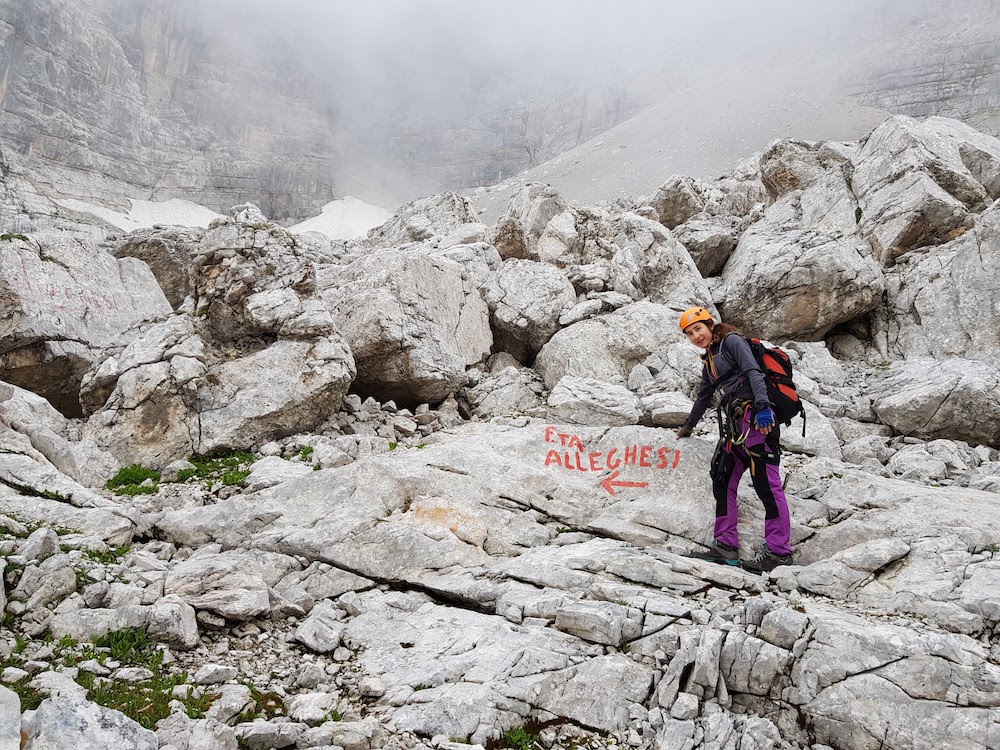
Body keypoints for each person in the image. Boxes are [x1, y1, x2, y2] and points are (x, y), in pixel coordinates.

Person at [674, 306, 794, 573]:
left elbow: (754, 372)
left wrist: (764, 406)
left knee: (766, 485)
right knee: (722, 478)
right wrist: (687, 427)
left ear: (710, 325)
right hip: (735, 427)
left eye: (698, 329)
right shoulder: (710, 360)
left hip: (757, 421)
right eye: (689, 333)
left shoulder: (732, 342)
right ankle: (725, 545)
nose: (695, 336)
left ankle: (779, 552)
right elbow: (704, 396)